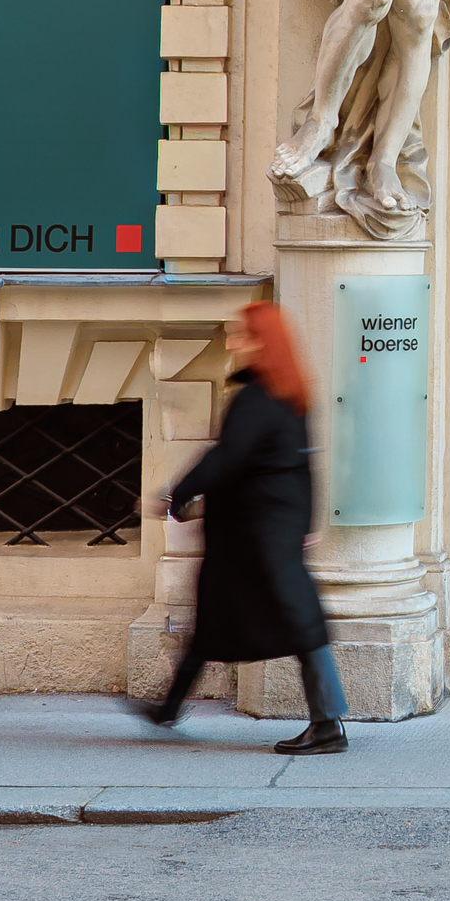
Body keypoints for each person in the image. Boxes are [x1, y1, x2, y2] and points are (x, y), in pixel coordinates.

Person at [138, 302, 347, 755]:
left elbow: (227, 457)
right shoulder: (292, 392)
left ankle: (328, 724)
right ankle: (169, 707)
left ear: (261, 342)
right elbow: (304, 464)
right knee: (218, 614)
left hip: (256, 531)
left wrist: (177, 494)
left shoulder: (258, 397)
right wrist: (307, 520)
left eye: (242, 334)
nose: (233, 341)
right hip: (268, 527)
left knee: (300, 623)